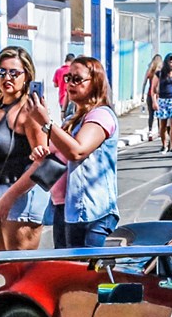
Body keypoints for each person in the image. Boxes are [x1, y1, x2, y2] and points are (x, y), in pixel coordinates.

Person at [36, 56, 119, 248]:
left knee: (88, 276)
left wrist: (47, 123)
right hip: (67, 210)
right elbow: (61, 158)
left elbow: (78, 151)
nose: (70, 84)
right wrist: (43, 156)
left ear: (95, 82)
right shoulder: (72, 120)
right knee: (67, 274)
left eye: (77, 79)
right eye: (68, 78)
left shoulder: (101, 115)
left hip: (94, 213)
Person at [0, 47, 51, 251]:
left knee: (19, 269)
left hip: (21, 198)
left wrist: (10, 196)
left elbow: (42, 162)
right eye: (1, 72)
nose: (7, 77)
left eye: (14, 73)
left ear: (27, 76)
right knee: (3, 268)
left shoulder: (29, 111)